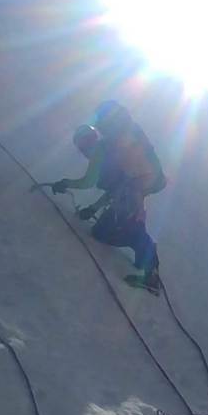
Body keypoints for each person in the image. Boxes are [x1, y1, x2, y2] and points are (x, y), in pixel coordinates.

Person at [49, 101, 167, 293]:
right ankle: (143, 253)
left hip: (138, 186)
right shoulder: (112, 145)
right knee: (108, 228)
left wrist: (65, 183)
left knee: (113, 230)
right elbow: (117, 188)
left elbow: (88, 182)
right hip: (143, 183)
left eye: (82, 145)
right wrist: (94, 208)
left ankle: (149, 268)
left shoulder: (102, 150)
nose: (82, 150)